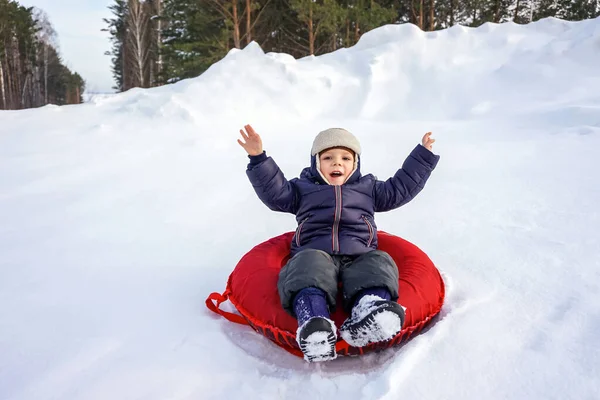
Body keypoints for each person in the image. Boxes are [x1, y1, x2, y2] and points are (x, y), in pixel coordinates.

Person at [238, 124, 439, 362]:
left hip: (360, 252)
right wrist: (258, 158)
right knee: (306, 268)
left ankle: (370, 310)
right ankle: (314, 324)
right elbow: (275, 192)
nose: (337, 163)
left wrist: (422, 157)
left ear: (355, 164)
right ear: (316, 163)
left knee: (379, 262)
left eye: (345, 157)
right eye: (328, 157)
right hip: (315, 251)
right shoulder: (302, 189)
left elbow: (400, 188)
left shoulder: (368, 188)